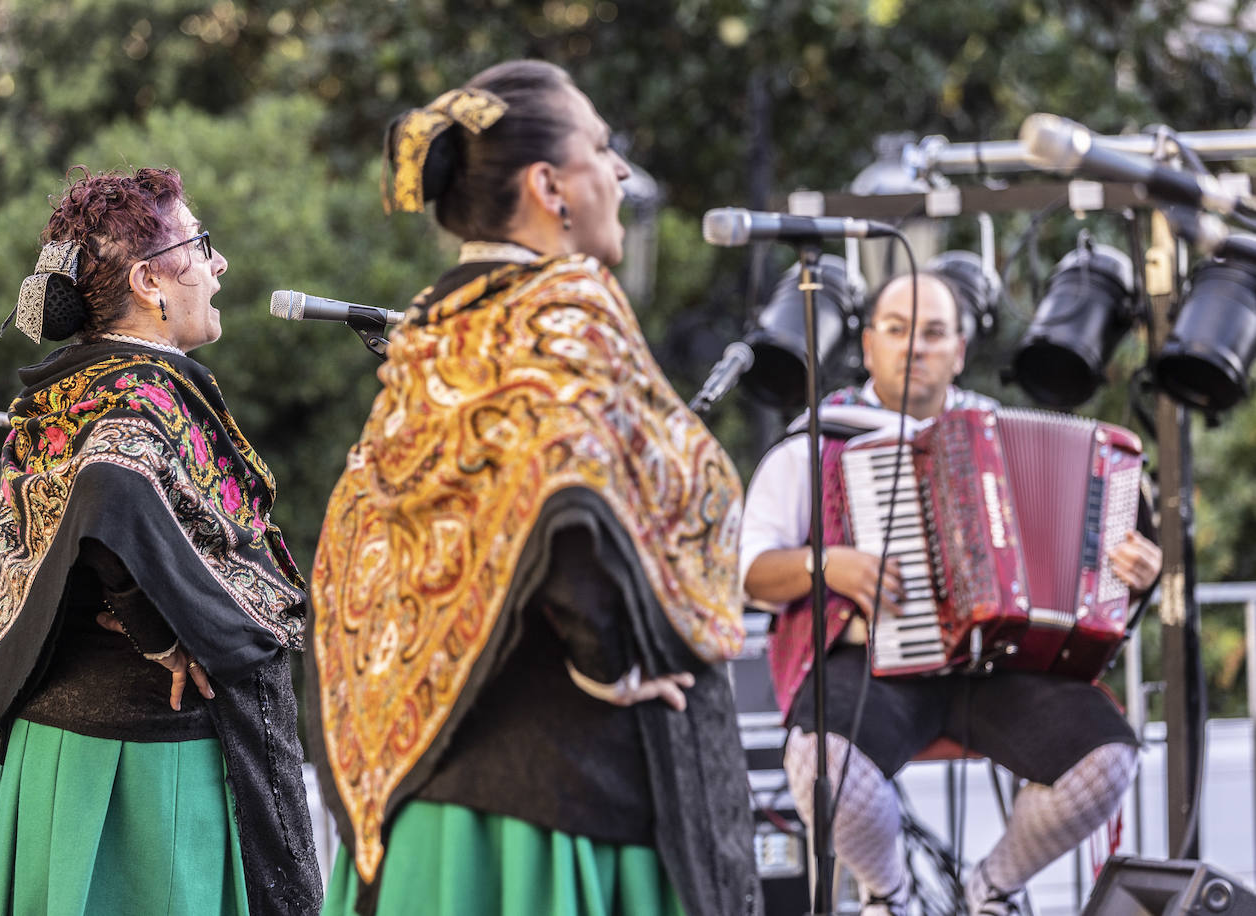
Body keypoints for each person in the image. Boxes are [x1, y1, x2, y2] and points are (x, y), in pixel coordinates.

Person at [308, 60, 760, 916]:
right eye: (601, 146)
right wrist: (615, 662)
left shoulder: (434, 329)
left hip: (425, 790)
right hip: (555, 800)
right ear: (549, 185)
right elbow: (571, 503)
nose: (620, 172)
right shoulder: (560, 313)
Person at [0, 167, 322, 916]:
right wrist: (156, 624)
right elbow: (110, 486)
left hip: (62, 754)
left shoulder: (62, 394)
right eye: (201, 246)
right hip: (140, 771)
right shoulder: (135, 392)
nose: (218, 264)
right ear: (149, 280)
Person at [739, 271, 1162, 916]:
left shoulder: (996, 432)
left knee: (1106, 757)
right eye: (898, 330)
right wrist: (828, 566)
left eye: (934, 333)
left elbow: (1077, 571)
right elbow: (752, 574)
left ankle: (991, 891)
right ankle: (892, 894)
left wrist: (1127, 572)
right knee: (819, 758)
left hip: (994, 665)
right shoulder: (815, 444)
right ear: (869, 345)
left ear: (959, 350)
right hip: (871, 661)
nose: (915, 347)